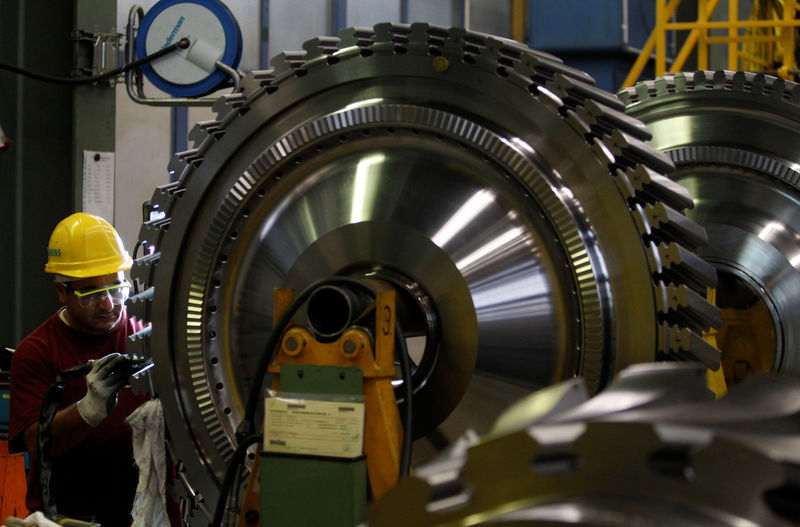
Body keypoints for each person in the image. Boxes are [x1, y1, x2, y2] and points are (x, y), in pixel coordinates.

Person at [9, 212, 149, 526]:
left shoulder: (147, 337)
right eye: (92, 294)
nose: (109, 305)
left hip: (147, 514)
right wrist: (88, 410)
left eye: (116, 288)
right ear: (62, 291)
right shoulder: (37, 352)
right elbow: (37, 443)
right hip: (73, 518)